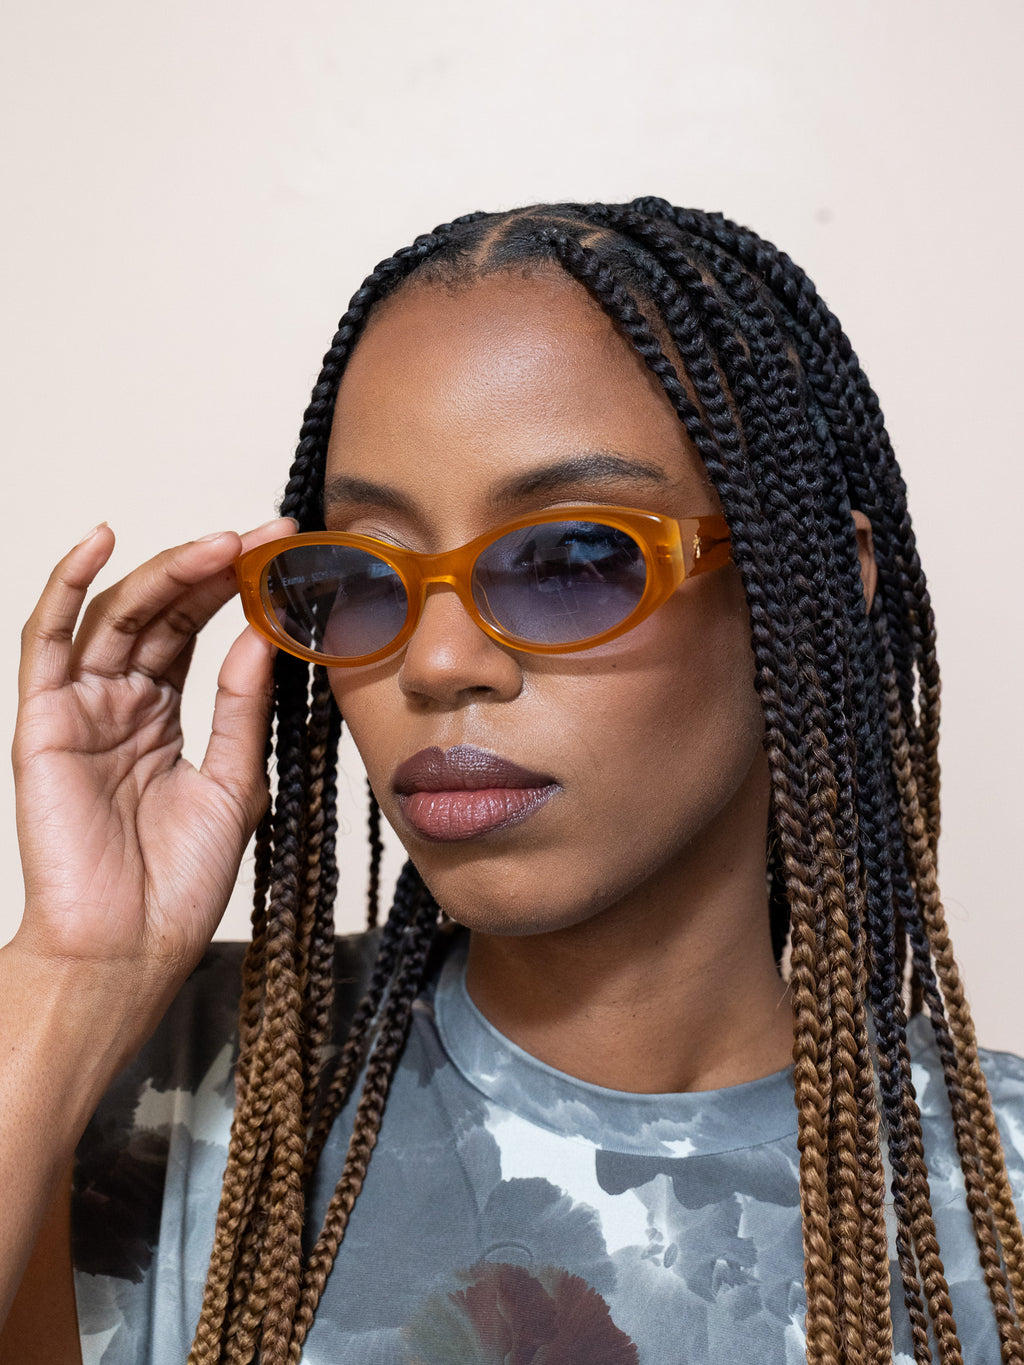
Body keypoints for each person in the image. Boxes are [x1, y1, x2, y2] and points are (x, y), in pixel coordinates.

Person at [2, 198, 1023, 1365]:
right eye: (364, 575)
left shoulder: (998, 1193)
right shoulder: (144, 1081)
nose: (435, 663)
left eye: (573, 558)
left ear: (811, 587)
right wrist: (72, 970)